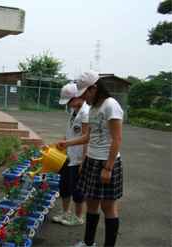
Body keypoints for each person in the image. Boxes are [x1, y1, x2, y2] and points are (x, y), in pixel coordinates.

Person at [58, 71, 123, 247]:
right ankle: (88, 243)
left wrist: (108, 168)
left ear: (94, 88)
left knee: (108, 207)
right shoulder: (93, 109)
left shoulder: (111, 105)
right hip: (91, 161)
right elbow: (88, 137)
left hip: (107, 162)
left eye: (84, 93)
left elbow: (117, 139)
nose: (83, 98)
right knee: (92, 205)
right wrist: (67, 143)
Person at [52, 83, 89, 226]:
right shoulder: (74, 111)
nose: (68, 104)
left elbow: (87, 138)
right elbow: (70, 133)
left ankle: (78, 217)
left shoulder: (86, 113)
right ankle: (65, 212)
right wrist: (62, 143)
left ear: (78, 97)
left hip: (78, 158)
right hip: (68, 156)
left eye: (70, 101)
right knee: (65, 185)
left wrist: (83, 161)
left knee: (77, 189)